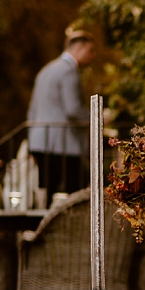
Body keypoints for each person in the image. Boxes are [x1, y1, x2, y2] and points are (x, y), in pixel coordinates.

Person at [26, 29, 97, 194]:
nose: (92, 56)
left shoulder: (46, 69)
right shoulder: (68, 71)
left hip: (39, 142)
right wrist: (96, 119)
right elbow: (73, 109)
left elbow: (32, 110)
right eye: (90, 51)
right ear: (79, 49)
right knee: (74, 193)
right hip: (63, 145)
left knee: (47, 194)